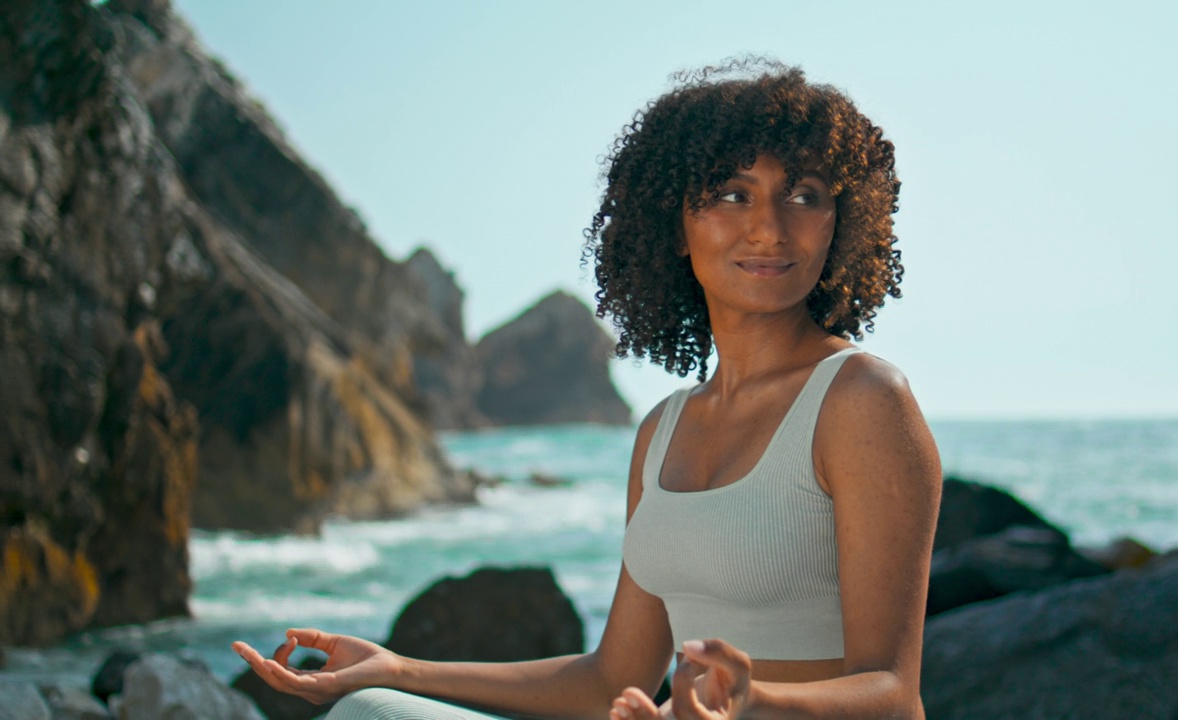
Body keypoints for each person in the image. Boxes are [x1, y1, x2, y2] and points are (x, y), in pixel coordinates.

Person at [233, 58, 942, 720]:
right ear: (674, 225)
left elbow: (893, 694)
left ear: (838, 223)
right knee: (370, 712)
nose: (769, 227)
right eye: (731, 194)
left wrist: (755, 706)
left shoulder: (861, 400)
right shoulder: (662, 431)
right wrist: (395, 668)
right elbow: (613, 680)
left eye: (804, 196)